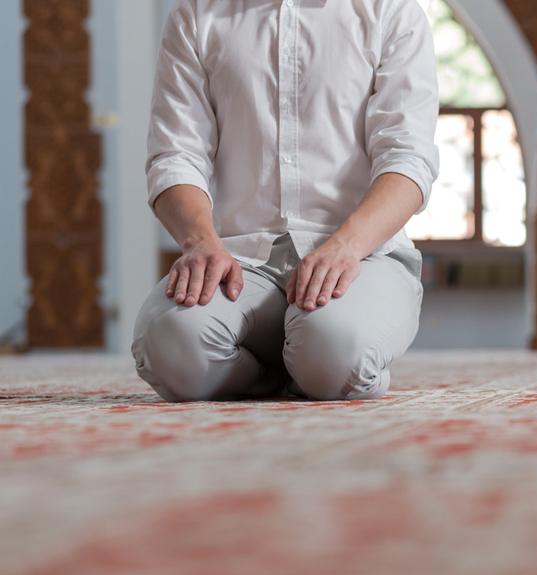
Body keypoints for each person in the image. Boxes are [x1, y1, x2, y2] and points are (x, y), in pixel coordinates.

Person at [131, 0, 440, 402]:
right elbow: (175, 156)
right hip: (240, 263)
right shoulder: (195, 13)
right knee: (169, 347)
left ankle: (309, 360)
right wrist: (200, 241)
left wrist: (345, 247)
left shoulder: (392, 12)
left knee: (333, 352)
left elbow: (408, 160)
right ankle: (284, 372)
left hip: (363, 258)